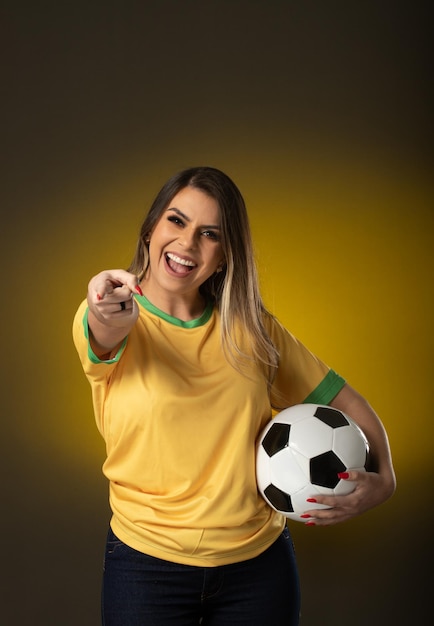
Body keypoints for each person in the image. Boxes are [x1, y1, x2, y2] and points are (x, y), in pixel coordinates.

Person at [72, 166, 396, 626]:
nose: (187, 244)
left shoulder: (252, 329)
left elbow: (347, 403)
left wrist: (385, 480)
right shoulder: (112, 314)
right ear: (150, 229)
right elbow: (104, 331)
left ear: (225, 256)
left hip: (257, 568)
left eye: (210, 234)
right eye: (176, 221)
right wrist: (109, 312)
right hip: (147, 566)